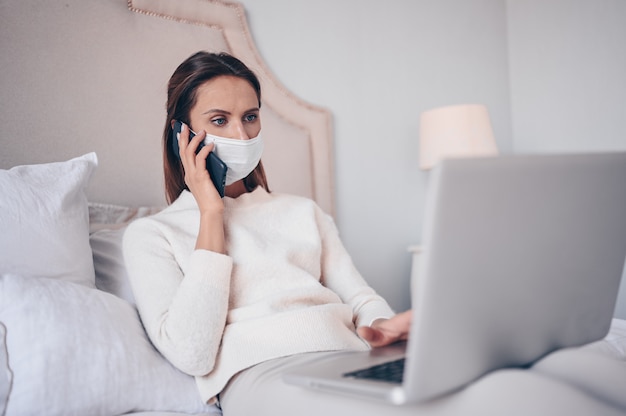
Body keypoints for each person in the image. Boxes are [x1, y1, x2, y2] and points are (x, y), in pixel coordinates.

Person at [123, 51, 413, 415]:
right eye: (219, 120)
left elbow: (361, 299)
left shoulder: (302, 211)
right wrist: (211, 213)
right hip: (264, 375)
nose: (241, 135)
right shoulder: (152, 234)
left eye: (250, 117)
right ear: (182, 134)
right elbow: (191, 353)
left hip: (351, 358)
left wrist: (383, 328)